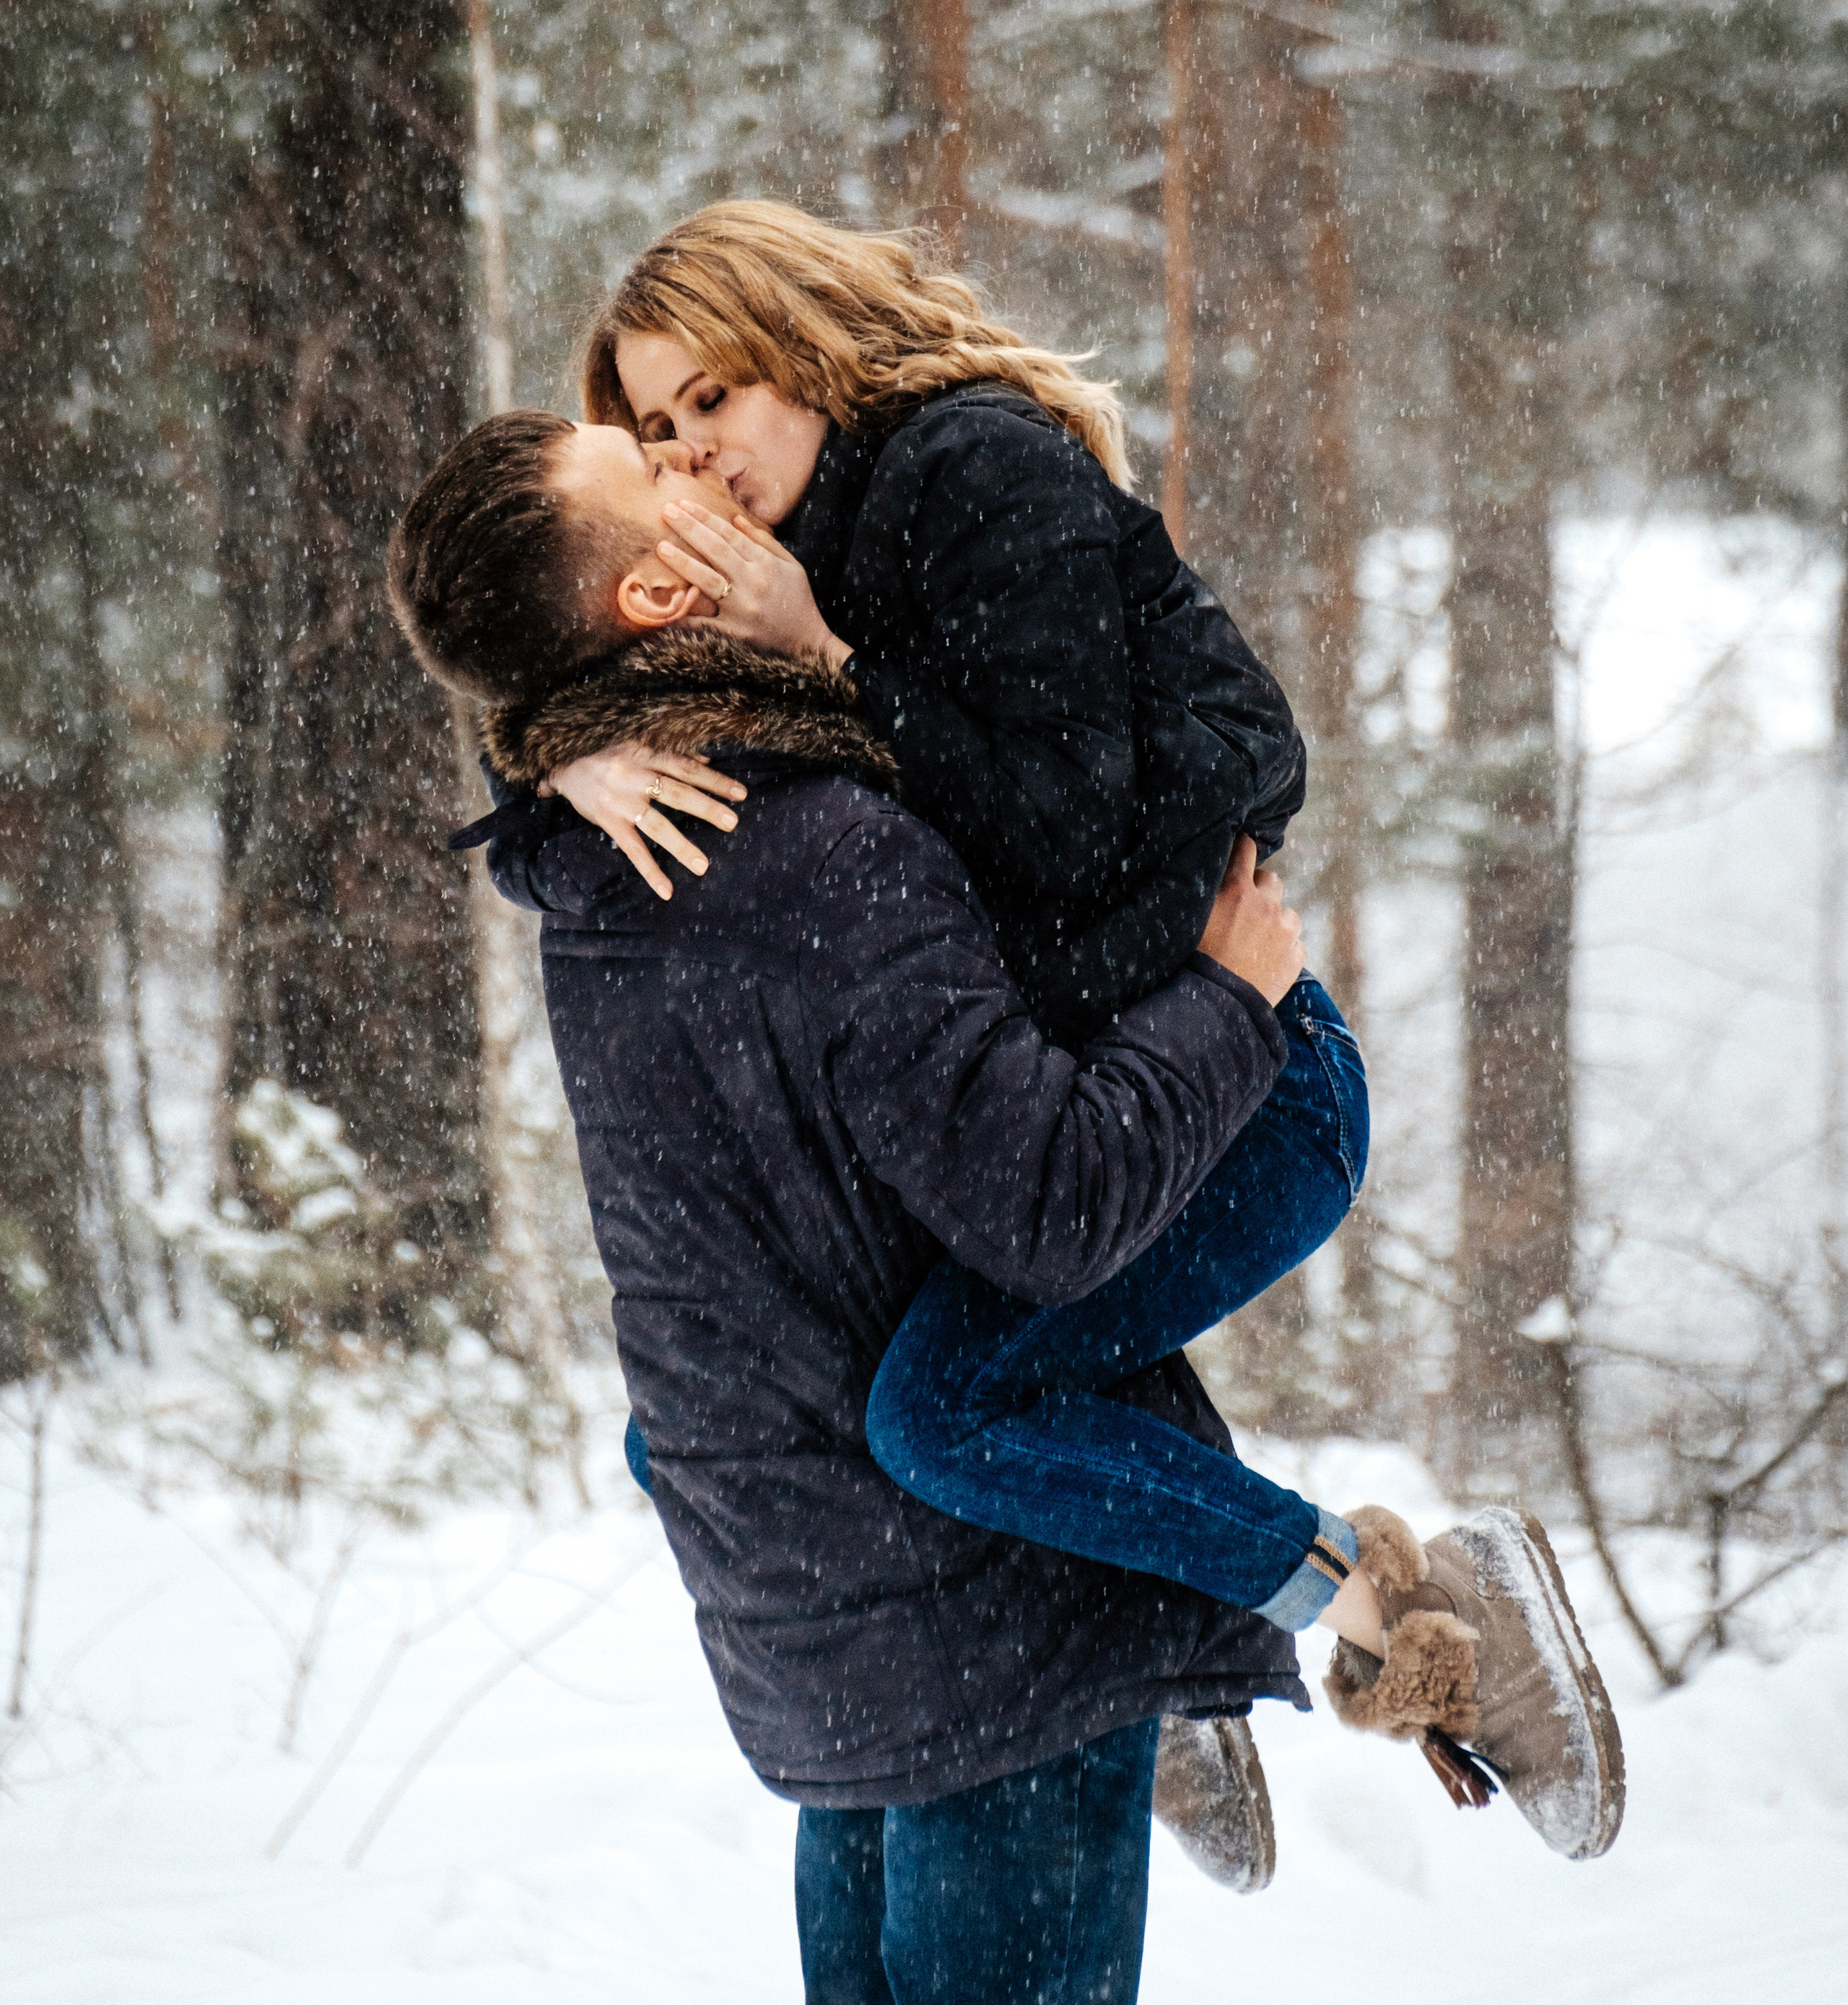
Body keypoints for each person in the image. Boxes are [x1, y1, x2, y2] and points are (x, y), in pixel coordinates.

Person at [388, 405, 1624, 2003]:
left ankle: (1271, 1623)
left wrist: (557, 743)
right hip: (976, 1626)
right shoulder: (813, 845)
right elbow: (1051, 1203)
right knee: (970, 1390)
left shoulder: (598, 868)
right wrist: (1226, 1000)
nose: (681, 454)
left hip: (806, 1612)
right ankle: (1372, 1595)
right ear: (653, 602)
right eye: (646, 465)